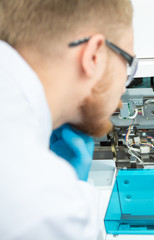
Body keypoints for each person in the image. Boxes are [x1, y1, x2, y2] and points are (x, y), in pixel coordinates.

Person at [0, 0, 135, 239]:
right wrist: (73, 192)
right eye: (129, 65)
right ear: (94, 55)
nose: (123, 91)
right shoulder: (42, 202)